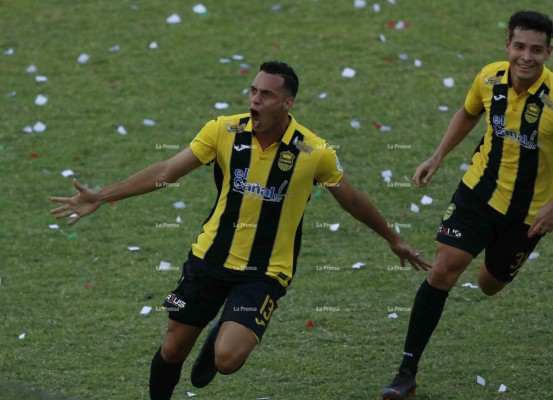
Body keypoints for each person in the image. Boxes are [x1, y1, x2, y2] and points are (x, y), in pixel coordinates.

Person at [50, 60, 431, 400]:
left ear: (287, 103)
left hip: (265, 272)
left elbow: (351, 199)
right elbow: (166, 172)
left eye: (266, 95)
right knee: (172, 350)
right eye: (253, 91)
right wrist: (102, 195)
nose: (255, 101)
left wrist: (393, 239)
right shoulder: (223, 131)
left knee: (228, 360)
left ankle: (221, 332)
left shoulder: (313, 152)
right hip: (209, 259)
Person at [381, 10, 553, 400]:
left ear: (549, 53)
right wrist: (438, 155)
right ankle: (406, 372)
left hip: (527, 215)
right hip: (477, 194)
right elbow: (468, 111)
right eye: (520, 46)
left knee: (489, 285)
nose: (526, 56)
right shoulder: (490, 77)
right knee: (443, 270)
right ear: (507, 44)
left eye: (537, 50)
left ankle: (495, 265)